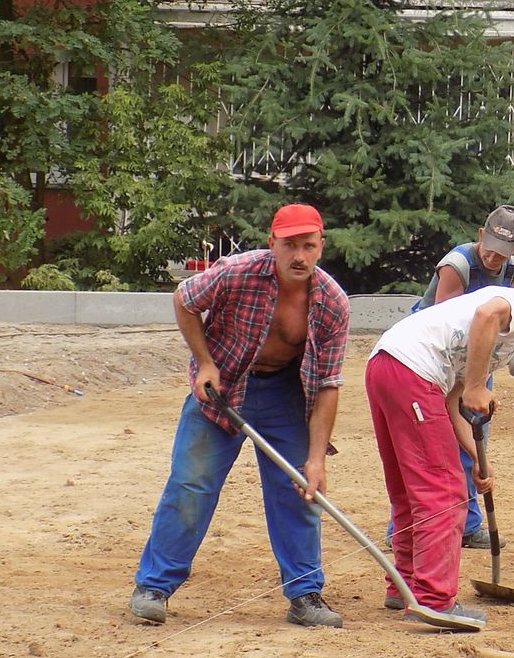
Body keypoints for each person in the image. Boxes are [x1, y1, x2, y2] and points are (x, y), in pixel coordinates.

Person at [130, 204, 351, 628]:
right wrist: (204, 362)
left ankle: (305, 594)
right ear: (273, 243)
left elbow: (327, 384)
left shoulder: (333, 303)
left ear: (322, 246)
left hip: (286, 395)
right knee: (191, 484)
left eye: (308, 246)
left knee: (299, 489)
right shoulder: (237, 271)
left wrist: (317, 459)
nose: (299, 256)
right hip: (224, 390)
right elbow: (184, 299)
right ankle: (154, 585)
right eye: (290, 246)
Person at [367, 283, 514, 626]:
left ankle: (405, 587)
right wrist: (476, 387)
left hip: (387, 366)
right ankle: (434, 599)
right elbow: (487, 314)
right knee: (444, 493)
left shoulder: (505, 339)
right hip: (414, 373)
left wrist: (476, 460)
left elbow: (452, 401)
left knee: (407, 490)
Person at [393, 204, 514, 550]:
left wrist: (479, 378)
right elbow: (446, 321)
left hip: (475, 361)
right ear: (482, 234)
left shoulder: (512, 268)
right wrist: (466, 383)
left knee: (472, 444)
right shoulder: (457, 265)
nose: (495, 258)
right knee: (431, 444)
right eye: (491, 248)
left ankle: (467, 525)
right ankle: (402, 529)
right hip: (433, 359)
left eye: (504, 253)